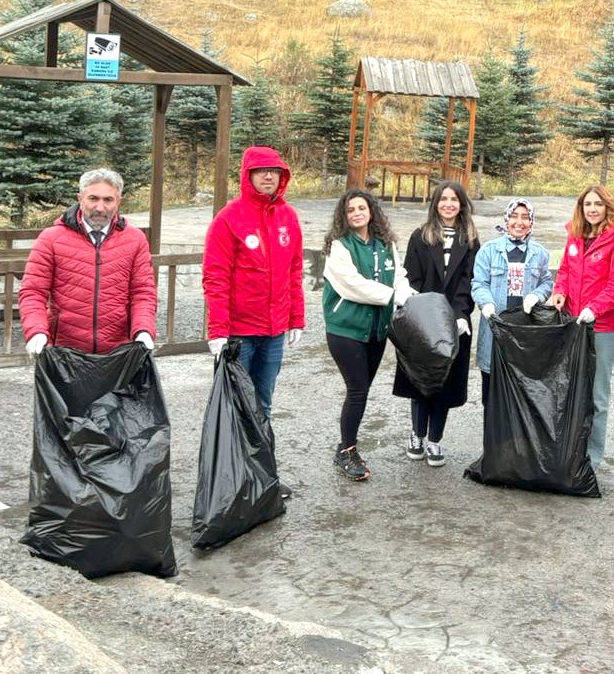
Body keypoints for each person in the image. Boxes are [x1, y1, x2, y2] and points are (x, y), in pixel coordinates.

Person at [202, 146, 305, 420]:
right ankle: (233, 462)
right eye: (261, 171)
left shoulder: (288, 217)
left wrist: (296, 318)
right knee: (235, 404)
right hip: (239, 333)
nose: (268, 176)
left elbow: (294, 271)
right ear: (248, 175)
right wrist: (218, 331)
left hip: (274, 333)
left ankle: (260, 460)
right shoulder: (229, 218)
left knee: (264, 403)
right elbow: (216, 276)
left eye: (274, 171)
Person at [322, 188, 413, 482]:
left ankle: (346, 444)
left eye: (362, 208)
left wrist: (406, 292)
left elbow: (397, 273)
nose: (357, 213)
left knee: (362, 391)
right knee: (358, 389)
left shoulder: (385, 244)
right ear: (344, 216)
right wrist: (391, 295)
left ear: (371, 211)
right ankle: (347, 451)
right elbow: (352, 285)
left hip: (376, 329)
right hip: (346, 329)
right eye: (351, 210)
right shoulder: (340, 246)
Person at [19, 167, 156, 356]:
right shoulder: (51, 238)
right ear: (80, 198)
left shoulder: (135, 239)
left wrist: (143, 330)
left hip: (119, 353)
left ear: (118, 201)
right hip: (64, 351)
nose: (100, 207)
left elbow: (143, 292)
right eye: (93, 198)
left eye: (108, 200)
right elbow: (33, 291)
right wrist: (36, 331)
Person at [396, 182, 480, 468]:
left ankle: (435, 440)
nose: (448, 204)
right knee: (420, 380)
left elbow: (469, 282)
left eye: (454, 199)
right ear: (435, 203)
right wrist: (425, 313)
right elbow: (412, 279)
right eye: (443, 199)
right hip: (423, 321)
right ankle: (417, 435)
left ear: (462, 204)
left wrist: (460, 314)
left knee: (445, 383)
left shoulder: (469, 239)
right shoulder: (420, 237)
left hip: (455, 322)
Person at [550, 184, 614, 469]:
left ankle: (592, 458)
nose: (593, 209)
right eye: (587, 205)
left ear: (608, 207)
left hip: (603, 329)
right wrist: (559, 291)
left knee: (597, 396)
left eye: (598, 204)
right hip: (573, 324)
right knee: (570, 391)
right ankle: (569, 449)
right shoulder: (574, 236)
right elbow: (564, 270)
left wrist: (593, 309)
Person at [471, 198, 553, 404]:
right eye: (514, 216)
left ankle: (518, 435)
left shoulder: (540, 253)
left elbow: (546, 282)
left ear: (531, 222)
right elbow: (479, 283)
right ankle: (493, 433)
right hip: (495, 328)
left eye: (525, 217)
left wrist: (537, 295)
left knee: (522, 391)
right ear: (506, 219)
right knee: (491, 389)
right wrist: (487, 304)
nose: (519, 222)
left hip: (525, 332)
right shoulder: (489, 251)